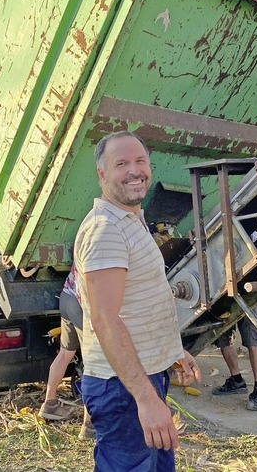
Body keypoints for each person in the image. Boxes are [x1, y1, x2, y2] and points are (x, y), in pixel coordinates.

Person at [74, 131, 201, 471]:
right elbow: (105, 319)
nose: (135, 171)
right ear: (103, 175)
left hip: (141, 378)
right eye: (122, 164)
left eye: (140, 161)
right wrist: (145, 399)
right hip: (123, 389)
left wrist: (172, 351)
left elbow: (139, 304)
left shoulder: (130, 220)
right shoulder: (106, 230)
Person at [38, 264, 95, 440]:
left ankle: (50, 404)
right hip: (80, 303)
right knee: (93, 362)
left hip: (67, 297)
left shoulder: (86, 239)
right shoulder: (107, 244)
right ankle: (89, 425)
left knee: (65, 353)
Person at [212, 314, 257, 411]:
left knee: (252, 338)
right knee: (223, 337)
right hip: (220, 302)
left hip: (246, 300)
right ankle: (236, 381)